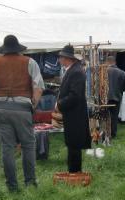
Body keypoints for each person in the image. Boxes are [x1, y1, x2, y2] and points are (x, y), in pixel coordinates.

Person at [0, 35, 44, 192]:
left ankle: (12, 186)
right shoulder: (29, 62)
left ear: (4, 49)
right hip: (22, 107)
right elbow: (38, 86)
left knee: (7, 147)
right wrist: (33, 103)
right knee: (28, 145)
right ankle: (30, 183)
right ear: (18, 49)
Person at [56, 45, 91, 173]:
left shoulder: (76, 71)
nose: (59, 60)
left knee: (74, 144)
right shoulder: (72, 70)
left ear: (67, 58)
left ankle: (75, 172)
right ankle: (74, 172)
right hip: (72, 113)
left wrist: (60, 104)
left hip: (75, 114)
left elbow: (75, 95)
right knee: (72, 144)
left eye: (60, 57)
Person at [106, 56, 125, 139]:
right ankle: (112, 133)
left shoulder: (104, 71)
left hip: (105, 97)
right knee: (114, 116)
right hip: (117, 97)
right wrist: (119, 91)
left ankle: (105, 132)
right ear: (115, 62)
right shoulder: (122, 72)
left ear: (107, 62)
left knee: (105, 115)